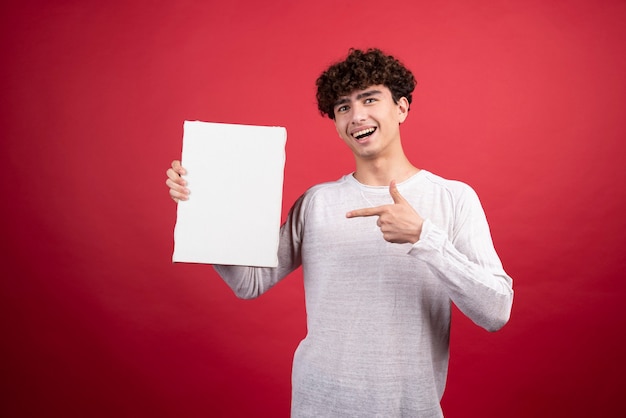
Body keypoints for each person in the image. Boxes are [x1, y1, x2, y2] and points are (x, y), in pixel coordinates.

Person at [166, 48, 513, 417]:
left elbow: (496, 311)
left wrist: (424, 238)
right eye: (343, 107)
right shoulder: (317, 203)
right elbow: (249, 283)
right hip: (319, 407)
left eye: (369, 99)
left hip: (409, 410)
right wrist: (203, 208)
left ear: (401, 108)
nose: (356, 115)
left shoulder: (453, 198)